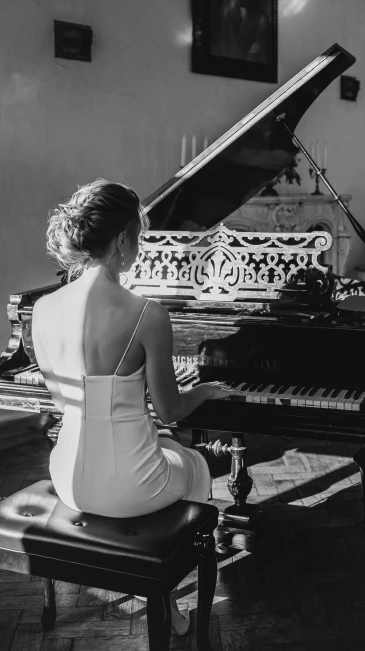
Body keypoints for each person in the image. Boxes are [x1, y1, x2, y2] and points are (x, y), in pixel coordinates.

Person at [32, 179, 233, 634]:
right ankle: (172, 602)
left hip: (66, 477)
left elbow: (62, 400)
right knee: (196, 464)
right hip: (129, 487)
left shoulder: (43, 308)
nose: (139, 247)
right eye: (139, 237)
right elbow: (171, 410)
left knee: (159, 443)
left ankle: (162, 589)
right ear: (123, 239)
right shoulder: (146, 313)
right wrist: (205, 389)